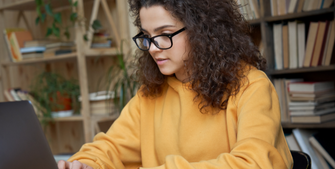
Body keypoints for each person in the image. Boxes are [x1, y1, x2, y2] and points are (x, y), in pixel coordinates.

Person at [58, 0, 293, 168]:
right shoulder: (149, 95)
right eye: (147, 36)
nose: (152, 47)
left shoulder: (252, 86)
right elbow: (110, 148)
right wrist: (85, 164)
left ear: (203, 30)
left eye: (165, 34)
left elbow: (255, 163)